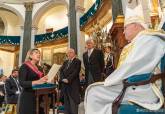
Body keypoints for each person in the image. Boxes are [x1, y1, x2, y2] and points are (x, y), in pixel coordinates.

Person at [84, 4, 165, 114]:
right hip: (136, 85)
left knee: (92, 92)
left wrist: (109, 81)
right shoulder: (140, 40)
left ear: (136, 25)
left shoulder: (148, 39)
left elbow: (130, 67)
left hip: (143, 88)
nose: (123, 31)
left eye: (125, 27)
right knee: (93, 90)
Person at [18, 48, 48, 114]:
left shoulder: (40, 68)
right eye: (36, 53)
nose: (39, 54)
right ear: (30, 56)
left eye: (39, 53)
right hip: (28, 96)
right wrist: (37, 82)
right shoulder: (24, 66)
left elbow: (42, 81)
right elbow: (22, 83)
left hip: (39, 96)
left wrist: (46, 80)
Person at [59, 48, 81, 114]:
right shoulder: (65, 62)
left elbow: (76, 72)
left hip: (73, 85)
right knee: (66, 104)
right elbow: (61, 71)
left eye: (70, 52)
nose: (69, 54)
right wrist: (63, 79)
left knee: (73, 104)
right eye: (68, 53)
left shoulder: (77, 61)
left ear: (74, 53)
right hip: (65, 86)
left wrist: (68, 79)